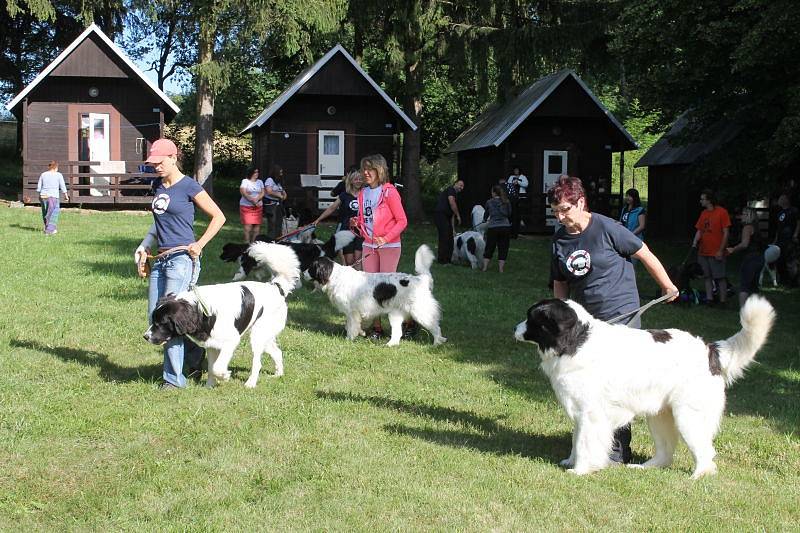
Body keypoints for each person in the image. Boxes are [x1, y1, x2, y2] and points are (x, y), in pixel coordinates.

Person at [548, 175, 677, 465]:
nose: (560, 216)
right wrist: (561, 315)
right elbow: (559, 281)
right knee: (588, 382)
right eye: (555, 211)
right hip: (586, 323)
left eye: (565, 210)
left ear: (581, 202)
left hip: (621, 315)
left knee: (617, 381)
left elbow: (644, 253)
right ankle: (591, 444)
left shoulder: (607, 228)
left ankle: (618, 449)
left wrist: (666, 285)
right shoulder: (558, 240)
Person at [134, 138, 226, 390]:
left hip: (181, 260)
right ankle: (196, 359)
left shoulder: (189, 186)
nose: (156, 167)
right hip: (161, 260)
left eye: (160, 162)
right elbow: (159, 223)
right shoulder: (158, 186)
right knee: (156, 315)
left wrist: (200, 244)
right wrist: (144, 246)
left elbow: (219, 217)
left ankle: (173, 380)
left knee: (169, 322)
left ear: (174, 158)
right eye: (153, 163)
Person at [354, 154, 408, 340]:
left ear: (380, 170)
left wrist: (385, 238)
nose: (366, 173)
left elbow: (402, 221)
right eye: (364, 169)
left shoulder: (389, 192)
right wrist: (358, 223)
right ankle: (377, 329)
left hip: (389, 246)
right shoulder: (362, 193)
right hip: (369, 245)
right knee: (371, 288)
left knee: (388, 289)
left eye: (370, 169)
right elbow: (366, 220)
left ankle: (407, 323)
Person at [313, 167, 365, 267]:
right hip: (346, 230)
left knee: (358, 259)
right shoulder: (344, 195)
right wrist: (318, 219)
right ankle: (349, 280)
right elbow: (332, 208)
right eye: (356, 179)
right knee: (349, 260)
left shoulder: (366, 194)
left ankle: (359, 281)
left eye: (360, 179)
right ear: (351, 181)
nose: (358, 181)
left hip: (361, 230)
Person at [691, 189, 732, 305]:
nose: (700, 201)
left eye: (702, 199)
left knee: (720, 277)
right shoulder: (704, 213)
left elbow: (726, 232)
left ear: (709, 200)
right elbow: (699, 230)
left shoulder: (722, 212)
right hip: (703, 251)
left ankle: (723, 300)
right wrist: (695, 242)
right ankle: (710, 299)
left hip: (716, 251)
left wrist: (720, 250)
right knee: (706, 276)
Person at [726, 207, 766, 306]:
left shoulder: (747, 227)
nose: (741, 216)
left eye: (743, 214)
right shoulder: (756, 227)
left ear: (748, 216)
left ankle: (743, 311)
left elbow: (744, 244)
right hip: (760, 258)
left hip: (750, 258)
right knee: (754, 286)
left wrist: (733, 249)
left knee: (744, 286)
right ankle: (756, 309)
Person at [482, 185, 512, 272]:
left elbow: (486, 214)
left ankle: (485, 268)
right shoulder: (506, 201)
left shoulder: (489, 202)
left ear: (494, 193)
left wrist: (484, 220)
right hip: (505, 227)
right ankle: (501, 269)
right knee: (503, 248)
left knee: (489, 247)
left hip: (493, 227)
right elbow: (509, 213)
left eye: (492, 192)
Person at [433, 180, 464, 264]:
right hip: (440, 215)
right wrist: (458, 215)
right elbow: (452, 203)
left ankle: (448, 259)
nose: (461, 188)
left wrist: (453, 229)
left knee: (450, 238)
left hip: (447, 216)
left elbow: (451, 215)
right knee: (444, 237)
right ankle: (442, 260)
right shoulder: (451, 190)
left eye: (462, 187)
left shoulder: (455, 195)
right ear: (455, 184)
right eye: (460, 185)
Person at [36, 161, 69, 235]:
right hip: (53, 196)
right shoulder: (58, 175)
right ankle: (50, 230)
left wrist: (39, 195)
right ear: (56, 168)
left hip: (43, 196)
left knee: (45, 212)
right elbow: (62, 186)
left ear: (49, 167)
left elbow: (39, 187)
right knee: (54, 213)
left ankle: (46, 228)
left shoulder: (43, 174)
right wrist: (66, 195)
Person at [773, 193, 799, 286]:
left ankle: (793, 282)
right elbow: (778, 228)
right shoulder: (779, 213)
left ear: (786, 200)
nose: (779, 200)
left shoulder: (794, 211)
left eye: (781, 198)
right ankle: (783, 280)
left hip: (790, 240)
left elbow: (798, 223)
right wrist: (775, 240)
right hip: (780, 241)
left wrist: (795, 235)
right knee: (780, 260)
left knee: (790, 261)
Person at [239, 167, 264, 243]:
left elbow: (262, 192)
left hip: (258, 207)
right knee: (248, 226)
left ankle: (254, 243)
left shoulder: (260, 182)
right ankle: (247, 242)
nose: (257, 174)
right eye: (255, 172)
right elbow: (243, 192)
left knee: (257, 226)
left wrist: (257, 199)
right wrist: (252, 200)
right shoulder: (245, 181)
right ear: (251, 173)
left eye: (257, 172)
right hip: (246, 207)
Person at [263, 164, 288, 239]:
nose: (281, 174)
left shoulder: (278, 182)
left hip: (279, 204)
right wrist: (278, 195)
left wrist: (284, 196)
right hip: (271, 204)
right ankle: (270, 239)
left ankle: (278, 238)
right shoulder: (269, 180)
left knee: (279, 222)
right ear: (276, 172)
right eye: (280, 172)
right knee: (272, 223)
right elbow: (269, 191)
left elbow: (283, 191)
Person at [505, 170, 524, 238]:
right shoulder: (510, 188)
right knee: (513, 219)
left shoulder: (513, 189)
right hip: (513, 205)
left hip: (515, 205)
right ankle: (512, 234)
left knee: (515, 219)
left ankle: (514, 234)